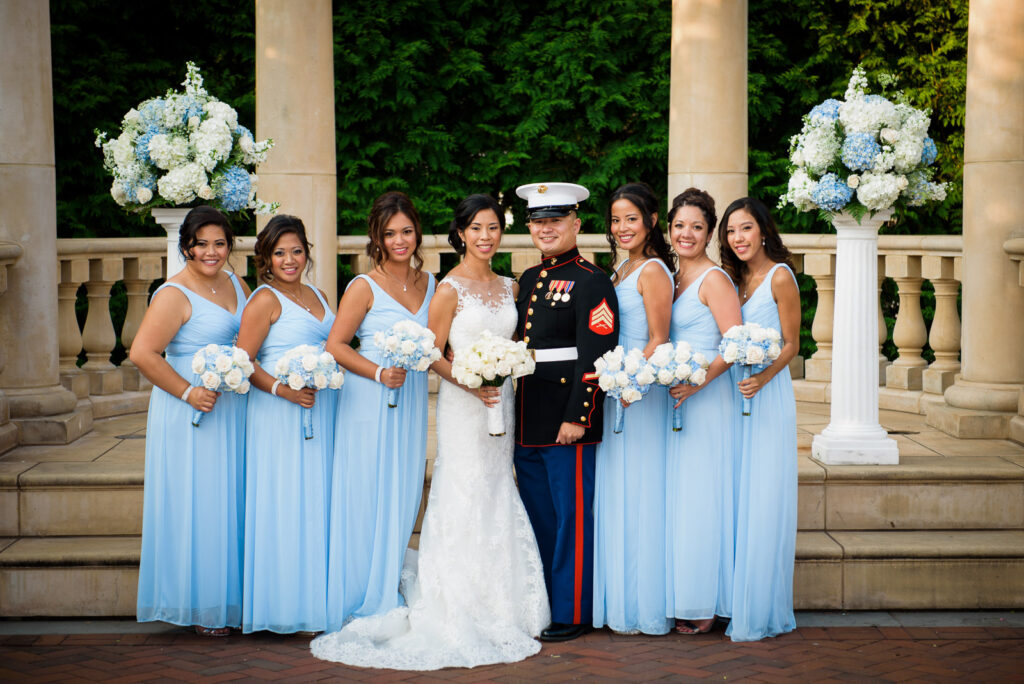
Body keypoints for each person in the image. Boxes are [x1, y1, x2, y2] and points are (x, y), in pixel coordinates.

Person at [311, 194, 548, 669]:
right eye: (476, 227)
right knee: (461, 490)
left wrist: (504, 374)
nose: (485, 236)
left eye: (493, 227)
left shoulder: (508, 286)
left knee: (497, 489)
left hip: (497, 403)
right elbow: (437, 352)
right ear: (460, 233)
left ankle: (503, 599)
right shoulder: (444, 289)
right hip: (459, 403)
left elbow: (514, 342)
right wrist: (471, 380)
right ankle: (453, 599)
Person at [131, 206, 251, 636]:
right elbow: (142, 354)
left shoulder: (237, 282)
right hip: (190, 408)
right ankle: (203, 605)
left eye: (219, 243)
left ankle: (232, 595)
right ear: (186, 248)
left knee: (230, 499)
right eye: (201, 244)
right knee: (201, 501)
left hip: (231, 405)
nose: (211, 251)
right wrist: (188, 392)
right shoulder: (173, 294)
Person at [322, 191, 436, 630]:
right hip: (369, 400)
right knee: (367, 488)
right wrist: (376, 374)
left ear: (417, 233)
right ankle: (359, 589)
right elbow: (335, 345)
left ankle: (387, 578)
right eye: (391, 234)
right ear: (378, 238)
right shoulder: (363, 286)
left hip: (409, 401)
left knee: (403, 489)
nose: (400, 240)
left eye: (406, 231)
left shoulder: (431, 285)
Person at [513, 182, 619, 642]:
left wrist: (578, 416)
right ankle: (544, 603)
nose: (546, 228)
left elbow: (596, 355)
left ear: (576, 223)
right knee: (541, 517)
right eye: (538, 221)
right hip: (528, 418)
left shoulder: (592, 280)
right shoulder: (530, 279)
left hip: (565, 419)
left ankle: (573, 609)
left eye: (555, 220)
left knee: (571, 518)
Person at [236, 215, 338, 634]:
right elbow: (244, 362)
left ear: (306, 252)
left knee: (318, 500)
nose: (289, 259)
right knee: (288, 501)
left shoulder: (319, 293)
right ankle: (285, 606)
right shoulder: (264, 300)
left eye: (296, 250)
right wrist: (284, 391)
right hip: (280, 413)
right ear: (266, 258)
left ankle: (318, 596)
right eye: (280, 252)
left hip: (324, 411)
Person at [591, 182, 675, 636]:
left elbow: (659, 336)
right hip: (615, 388)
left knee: (641, 491)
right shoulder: (622, 268)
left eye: (631, 219)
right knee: (618, 490)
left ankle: (644, 603)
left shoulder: (654, 271)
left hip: (638, 394)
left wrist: (632, 383)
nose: (622, 227)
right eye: (616, 219)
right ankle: (616, 599)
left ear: (651, 222)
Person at [718, 197, 800, 642]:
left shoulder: (780, 277)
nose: (738, 238)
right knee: (740, 494)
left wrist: (763, 379)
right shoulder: (735, 279)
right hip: (736, 395)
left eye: (745, 229)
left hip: (766, 396)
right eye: (731, 232)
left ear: (763, 230)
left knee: (763, 495)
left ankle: (759, 607)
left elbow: (792, 343)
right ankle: (734, 597)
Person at [664, 188, 742, 635]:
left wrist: (700, 381)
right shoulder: (672, 276)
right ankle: (684, 591)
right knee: (682, 498)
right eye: (679, 226)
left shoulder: (714, 280)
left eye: (696, 226)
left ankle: (706, 602)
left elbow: (735, 343)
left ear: (709, 232)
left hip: (707, 399)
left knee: (702, 496)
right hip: (677, 398)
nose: (686, 234)